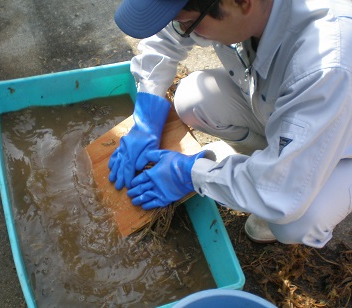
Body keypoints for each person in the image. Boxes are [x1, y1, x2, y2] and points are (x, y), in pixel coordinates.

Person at [108, 0, 352, 248]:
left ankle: (267, 174)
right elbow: (168, 36)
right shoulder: (238, 8)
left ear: (243, 3)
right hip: (291, 110)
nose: (184, 31)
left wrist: (191, 175)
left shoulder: (325, 61)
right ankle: (259, 168)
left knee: (295, 221)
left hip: (344, 147)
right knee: (193, 99)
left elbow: (281, 194)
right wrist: (147, 110)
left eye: (189, 23)